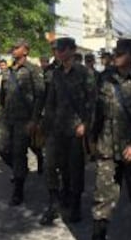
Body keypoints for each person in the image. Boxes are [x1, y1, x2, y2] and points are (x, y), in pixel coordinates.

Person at [91, 39, 131, 240]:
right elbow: (96, 111)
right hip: (106, 147)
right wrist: (92, 139)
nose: (116, 55)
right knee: (102, 194)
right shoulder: (104, 78)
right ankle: (98, 235)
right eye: (115, 51)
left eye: (121, 52)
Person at [40, 37, 96, 225]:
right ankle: (54, 203)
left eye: (63, 49)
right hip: (56, 128)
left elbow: (93, 102)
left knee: (74, 168)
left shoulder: (84, 73)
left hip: (75, 130)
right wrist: (45, 125)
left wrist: (86, 124)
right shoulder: (55, 74)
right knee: (50, 165)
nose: (59, 52)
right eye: (57, 49)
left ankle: (75, 204)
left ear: (72, 50)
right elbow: (50, 101)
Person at [0, 38, 44, 206]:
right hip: (7, 119)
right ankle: (21, 170)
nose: (13, 50)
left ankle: (18, 190)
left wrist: (34, 119)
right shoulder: (7, 71)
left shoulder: (33, 70)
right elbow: (2, 95)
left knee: (18, 153)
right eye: (13, 47)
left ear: (25, 50)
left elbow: (40, 96)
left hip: (24, 120)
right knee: (1, 147)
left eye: (17, 47)